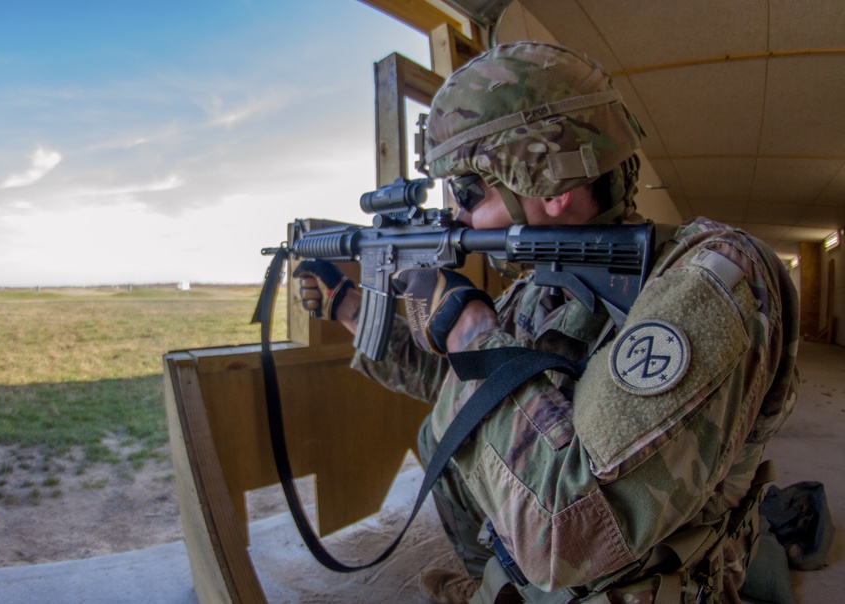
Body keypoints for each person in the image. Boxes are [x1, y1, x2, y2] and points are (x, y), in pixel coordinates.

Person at [294, 42, 799, 604]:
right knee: (438, 428)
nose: (455, 215)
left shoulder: (714, 280)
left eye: (466, 191)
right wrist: (349, 307)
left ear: (545, 180)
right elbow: (455, 392)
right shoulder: (546, 286)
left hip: (636, 583)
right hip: (524, 573)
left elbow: (569, 538)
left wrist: (471, 329)